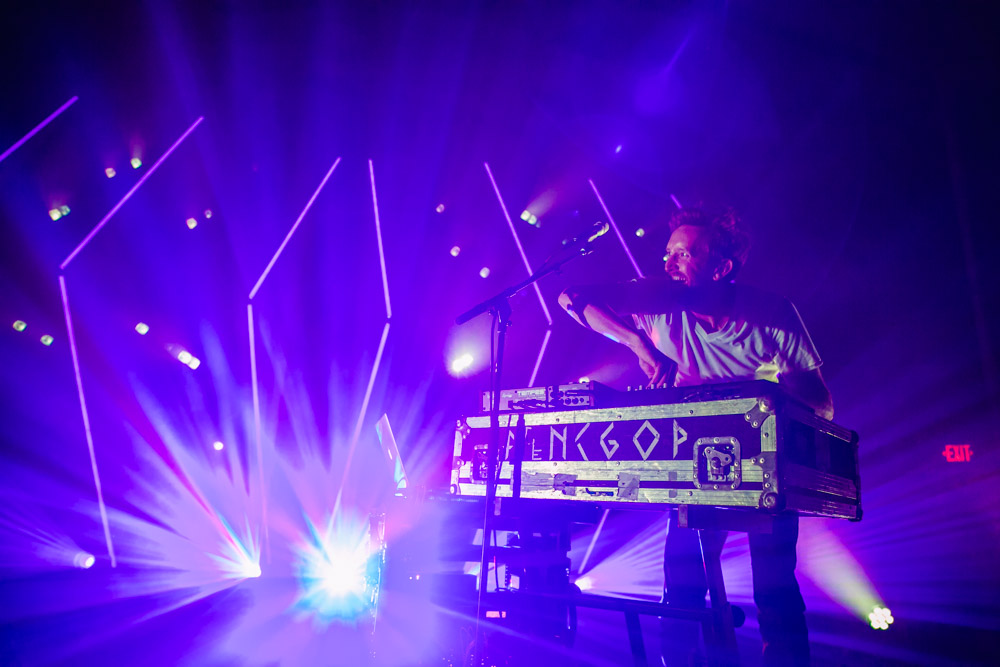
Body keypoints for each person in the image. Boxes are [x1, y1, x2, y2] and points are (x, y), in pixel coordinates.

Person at [558, 206, 832, 666]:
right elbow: (572, 298)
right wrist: (637, 343)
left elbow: (820, 405)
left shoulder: (773, 315)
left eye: (682, 255)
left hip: (761, 469)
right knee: (682, 588)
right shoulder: (658, 303)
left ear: (721, 268)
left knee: (775, 588)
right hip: (691, 469)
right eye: (667, 253)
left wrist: (760, 413)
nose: (668, 264)